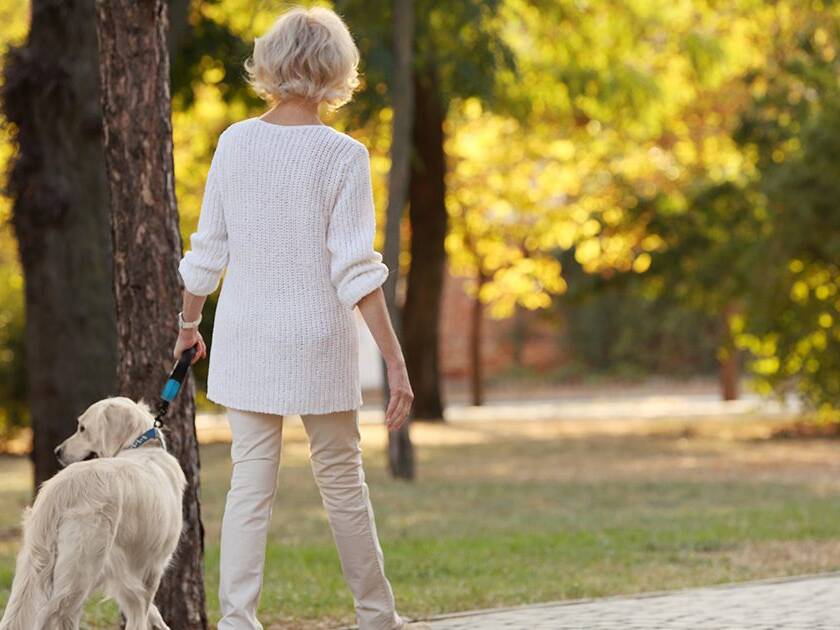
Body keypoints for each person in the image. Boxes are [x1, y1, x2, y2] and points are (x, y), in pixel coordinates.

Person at [173, 7, 426, 629]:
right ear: (338, 70)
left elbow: (208, 252)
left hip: (246, 335)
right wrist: (395, 360)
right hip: (319, 338)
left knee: (248, 487)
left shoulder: (235, 142)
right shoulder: (344, 155)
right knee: (342, 483)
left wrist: (187, 326)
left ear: (270, 61)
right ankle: (376, 616)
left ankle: (237, 620)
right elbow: (356, 272)